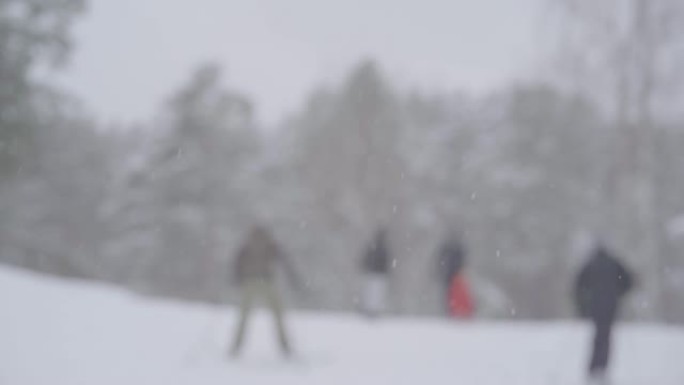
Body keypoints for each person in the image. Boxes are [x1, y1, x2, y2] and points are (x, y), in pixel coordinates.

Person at [229, 225, 299, 358]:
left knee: (244, 316)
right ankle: (285, 346)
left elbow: (237, 264)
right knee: (277, 315)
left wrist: (236, 280)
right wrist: (294, 280)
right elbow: (284, 262)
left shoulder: (247, 247)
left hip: (250, 283)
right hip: (266, 282)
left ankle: (236, 346)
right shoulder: (270, 246)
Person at [574, 244, 634, 384]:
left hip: (595, 306)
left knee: (598, 335)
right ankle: (601, 366)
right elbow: (628, 281)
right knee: (606, 335)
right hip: (611, 305)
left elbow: (579, 284)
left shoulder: (591, 264)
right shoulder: (614, 263)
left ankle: (594, 366)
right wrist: (618, 293)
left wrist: (582, 305)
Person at [437, 238, 474, 318]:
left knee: (454, 295)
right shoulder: (452, 252)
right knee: (453, 295)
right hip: (451, 277)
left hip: (451, 276)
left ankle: (458, 312)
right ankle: (456, 312)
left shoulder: (448, 252)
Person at [360, 229, 391, 317]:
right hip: (376, 274)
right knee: (374, 294)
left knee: (374, 294)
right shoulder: (380, 248)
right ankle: (371, 310)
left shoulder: (375, 247)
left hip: (376, 274)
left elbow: (366, 259)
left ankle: (373, 311)